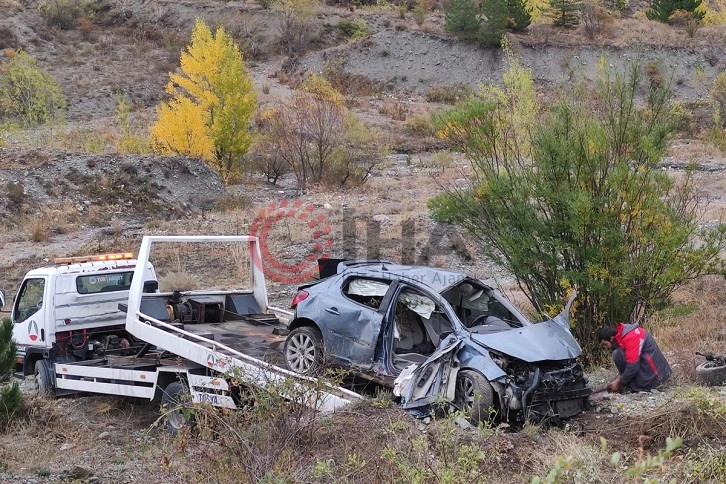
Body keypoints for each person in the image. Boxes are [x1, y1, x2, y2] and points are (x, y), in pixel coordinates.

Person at [598, 322, 671, 393]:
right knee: (619, 354)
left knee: (617, 354)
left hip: (657, 378)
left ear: (611, 338)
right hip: (655, 371)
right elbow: (629, 362)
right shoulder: (622, 336)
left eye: (605, 344)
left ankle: (636, 386)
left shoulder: (631, 337)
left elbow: (633, 367)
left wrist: (620, 382)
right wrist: (618, 379)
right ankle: (630, 385)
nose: (606, 347)